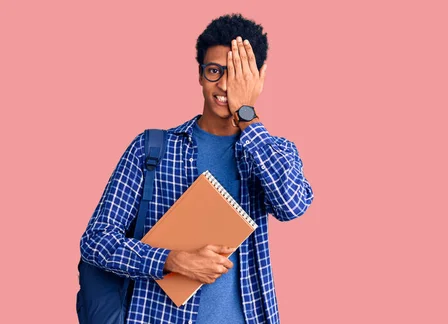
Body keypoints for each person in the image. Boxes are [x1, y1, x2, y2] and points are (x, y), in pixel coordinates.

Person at [79, 13, 314, 324]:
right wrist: (169, 260)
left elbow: (292, 205)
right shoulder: (152, 148)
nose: (225, 85)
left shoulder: (273, 150)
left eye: (239, 74)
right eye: (215, 71)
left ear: (259, 77)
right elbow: (96, 241)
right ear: (201, 75)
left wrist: (247, 114)